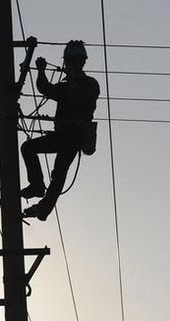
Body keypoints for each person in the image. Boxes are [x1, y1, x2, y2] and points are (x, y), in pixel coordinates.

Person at [20, 40, 100, 221]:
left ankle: (42, 204)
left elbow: (80, 98)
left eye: (71, 63)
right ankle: (38, 189)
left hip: (74, 137)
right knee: (30, 149)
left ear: (80, 63)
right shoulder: (65, 86)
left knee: (58, 174)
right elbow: (45, 89)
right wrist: (40, 71)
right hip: (62, 135)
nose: (68, 66)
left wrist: (71, 78)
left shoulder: (90, 84)